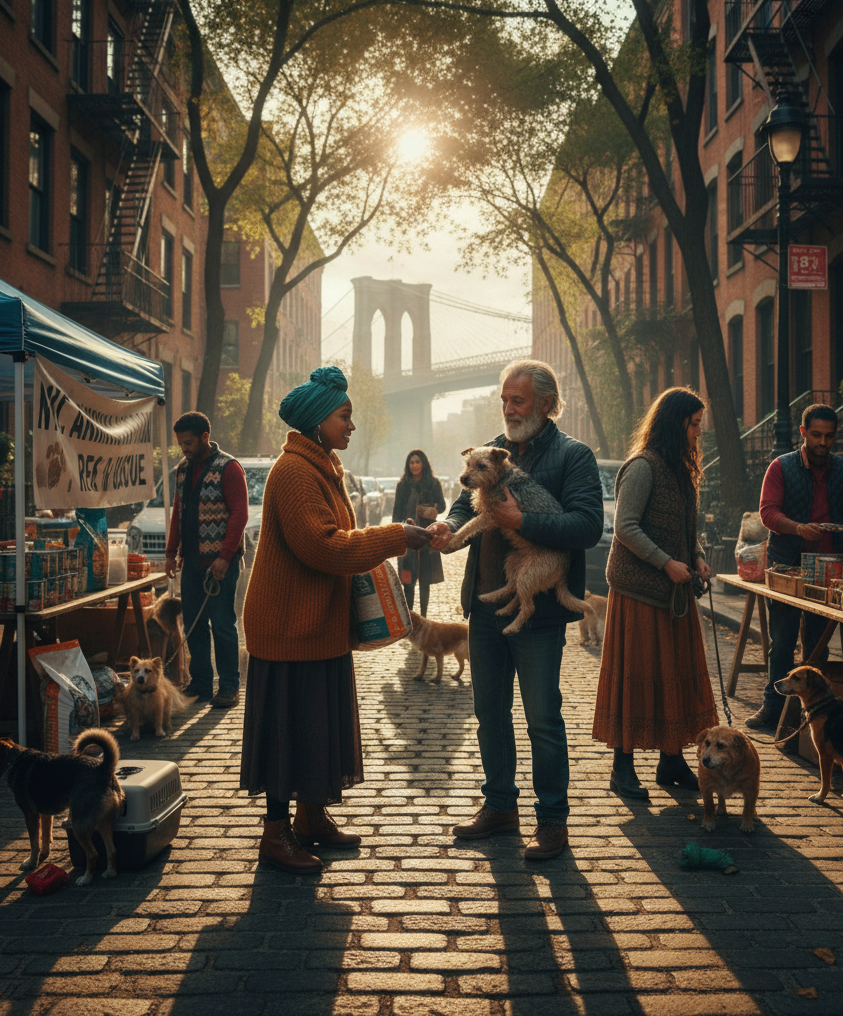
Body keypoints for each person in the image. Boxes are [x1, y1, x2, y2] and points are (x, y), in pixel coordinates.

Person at [240, 366, 432, 873]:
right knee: (287, 732)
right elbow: (322, 547)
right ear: (318, 419)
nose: (351, 426)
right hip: (288, 629)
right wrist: (395, 537)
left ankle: (310, 819)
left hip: (316, 626)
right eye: (344, 416)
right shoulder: (295, 472)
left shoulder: (321, 465)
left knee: (314, 728)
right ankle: (275, 835)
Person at [426, 360, 604, 861]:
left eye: (518, 400)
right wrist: (446, 524)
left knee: (543, 717)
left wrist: (521, 519)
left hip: (541, 613)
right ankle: (500, 806)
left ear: (546, 404)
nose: (508, 408)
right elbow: (466, 505)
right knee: (489, 713)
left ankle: (552, 822)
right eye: (504, 399)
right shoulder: (489, 449)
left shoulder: (574, 456)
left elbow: (587, 526)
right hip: (483, 609)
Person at [592, 388, 719, 800]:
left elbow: (684, 529)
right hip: (640, 593)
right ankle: (622, 768)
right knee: (637, 681)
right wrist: (666, 562)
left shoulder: (681, 468)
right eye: (695, 424)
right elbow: (626, 528)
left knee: (675, 678)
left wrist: (696, 556)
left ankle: (671, 760)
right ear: (675, 423)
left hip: (674, 592)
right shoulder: (642, 467)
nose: (699, 432)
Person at [749, 403, 843, 728]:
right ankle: (773, 707)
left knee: (818, 648)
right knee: (782, 642)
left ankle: (813, 714)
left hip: (830, 569)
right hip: (788, 565)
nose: (823, 442)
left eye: (829, 436)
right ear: (803, 433)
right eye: (816, 435)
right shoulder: (781, 467)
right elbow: (768, 512)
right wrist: (799, 528)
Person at [165, 411, 247, 709]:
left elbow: (240, 514)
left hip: (220, 563)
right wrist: (170, 553)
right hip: (191, 561)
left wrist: (225, 557)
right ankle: (200, 683)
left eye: (188, 442)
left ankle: (229, 686)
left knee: (223, 623)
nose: (184, 448)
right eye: (180, 443)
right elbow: (178, 512)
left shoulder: (229, 468)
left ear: (204, 437)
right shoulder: (183, 470)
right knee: (193, 625)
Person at [392, 449, 447, 616]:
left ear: (423, 463)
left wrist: (432, 510)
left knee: (425, 581)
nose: (414, 465)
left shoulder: (433, 483)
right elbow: (396, 513)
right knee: (408, 581)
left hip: (427, 536)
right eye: (411, 462)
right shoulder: (403, 485)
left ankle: (423, 616)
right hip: (407, 537)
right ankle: (410, 618)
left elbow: (443, 506)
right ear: (408, 465)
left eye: (417, 462)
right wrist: (397, 533)